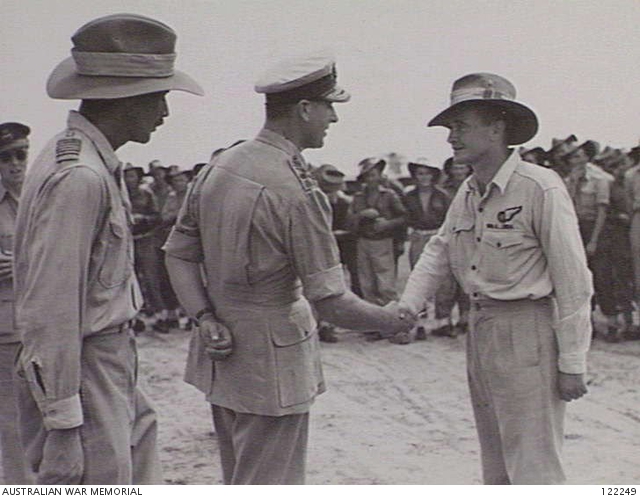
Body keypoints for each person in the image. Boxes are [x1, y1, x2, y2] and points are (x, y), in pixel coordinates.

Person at [163, 53, 414, 485]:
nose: (333, 118)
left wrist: (204, 317)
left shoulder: (221, 166)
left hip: (222, 349)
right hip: (272, 362)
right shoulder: (295, 190)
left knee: (240, 476)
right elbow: (330, 299)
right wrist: (389, 320)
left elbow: (179, 254)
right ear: (304, 110)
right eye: (329, 106)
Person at [13, 13, 203, 484]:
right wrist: (61, 423)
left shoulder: (89, 163)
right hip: (85, 367)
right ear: (126, 98)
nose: (164, 113)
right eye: (159, 98)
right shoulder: (79, 177)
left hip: (106, 360)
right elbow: (50, 309)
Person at [399, 73, 592, 484]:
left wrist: (573, 361)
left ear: (497, 127)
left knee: (534, 465)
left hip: (527, 330)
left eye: (461, 126)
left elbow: (574, 279)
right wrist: (406, 307)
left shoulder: (540, 187)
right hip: (481, 328)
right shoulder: (469, 190)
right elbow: (439, 249)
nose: (451, 137)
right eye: (450, 128)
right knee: (497, 462)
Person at [0, 122, 34, 484]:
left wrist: (22, 262)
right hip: (7, 330)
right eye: (5, 157)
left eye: (21, 154)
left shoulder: (42, 196)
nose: (15, 164)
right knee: (13, 423)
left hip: (49, 326)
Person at [348, 157, 407, 342]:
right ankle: (374, 325)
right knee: (367, 285)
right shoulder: (357, 198)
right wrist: (361, 215)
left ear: (380, 175)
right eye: (367, 176)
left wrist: (387, 225)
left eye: (373, 174)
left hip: (383, 242)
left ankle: (394, 326)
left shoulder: (389, 195)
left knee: (386, 286)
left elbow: (404, 218)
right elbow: (348, 222)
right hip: (363, 242)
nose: (370, 179)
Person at [563, 140, 618, 340]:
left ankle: (612, 322)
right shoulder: (570, 179)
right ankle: (589, 323)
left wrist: (594, 240)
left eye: (577, 156)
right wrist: (574, 184)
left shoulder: (599, 178)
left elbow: (602, 211)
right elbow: (566, 206)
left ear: (587, 157)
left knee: (603, 277)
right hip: (576, 228)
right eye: (571, 157)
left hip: (596, 228)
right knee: (581, 278)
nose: (573, 160)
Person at [402, 157, 451, 342]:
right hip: (418, 236)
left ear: (434, 175)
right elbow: (403, 217)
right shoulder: (409, 196)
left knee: (444, 281)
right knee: (419, 278)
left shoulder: (443, 196)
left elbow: (450, 220)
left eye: (428, 173)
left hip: (437, 235)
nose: (424, 177)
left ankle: (443, 321)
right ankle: (420, 323)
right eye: (420, 173)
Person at [123, 164, 168, 333]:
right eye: (126, 176)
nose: (129, 180)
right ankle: (137, 318)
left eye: (132, 176)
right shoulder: (119, 194)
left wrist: (143, 218)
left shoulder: (146, 194)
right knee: (131, 281)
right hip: (128, 242)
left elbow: (158, 217)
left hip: (146, 240)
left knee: (151, 279)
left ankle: (161, 316)